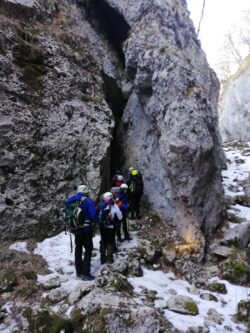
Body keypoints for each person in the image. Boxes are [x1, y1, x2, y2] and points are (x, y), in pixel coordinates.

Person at [65, 184, 98, 281]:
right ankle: (85, 273)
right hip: (86, 229)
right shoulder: (87, 201)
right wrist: (98, 222)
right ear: (85, 191)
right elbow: (93, 214)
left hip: (75, 230)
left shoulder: (70, 200)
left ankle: (78, 272)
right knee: (88, 249)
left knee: (78, 249)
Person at [98, 192, 123, 264]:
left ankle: (102, 258)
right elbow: (120, 217)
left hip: (102, 226)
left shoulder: (100, 205)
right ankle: (110, 259)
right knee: (110, 242)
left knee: (103, 241)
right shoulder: (114, 205)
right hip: (110, 227)